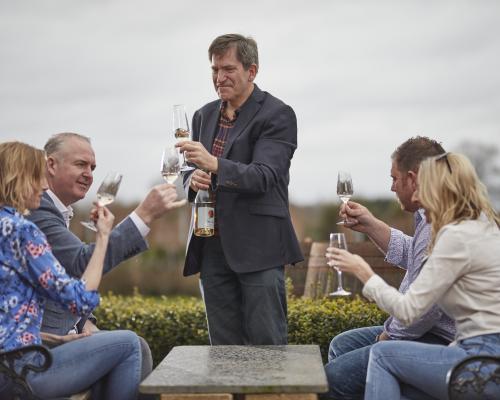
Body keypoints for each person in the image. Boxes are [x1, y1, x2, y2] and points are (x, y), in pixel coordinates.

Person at [328, 152, 500, 399]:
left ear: (441, 190)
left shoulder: (455, 236)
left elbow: (410, 311)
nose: (417, 198)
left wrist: (362, 271)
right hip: (480, 355)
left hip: (478, 364)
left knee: (382, 356)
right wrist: (372, 226)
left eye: (423, 189)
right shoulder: (481, 225)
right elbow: (424, 261)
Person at [27, 132, 186, 382]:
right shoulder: (36, 209)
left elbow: (60, 278)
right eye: (81, 164)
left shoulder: (57, 211)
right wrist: (143, 215)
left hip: (57, 338)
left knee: (138, 346)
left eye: (92, 167)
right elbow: (81, 263)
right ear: (51, 165)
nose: (89, 174)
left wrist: (84, 321)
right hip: (36, 354)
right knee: (130, 344)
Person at [176, 33, 303, 345]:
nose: (220, 78)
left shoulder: (277, 114)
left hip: (259, 250)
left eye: (228, 69)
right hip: (211, 248)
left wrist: (214, 165)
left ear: (252, 71)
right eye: (215, 70)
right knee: (223, 353)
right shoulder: (203, 115)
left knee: (267, 351)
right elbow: (187, 173)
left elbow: (265, 175)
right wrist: (191, 180)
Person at [0, 141, 142, 399]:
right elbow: (78, 298)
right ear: (17, 179)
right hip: (19, 373)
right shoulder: (22, 231)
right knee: (128, 343)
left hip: (9, 365)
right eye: (38, 176)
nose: (44, 185)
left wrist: (54, 339)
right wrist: (102, 238)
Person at [323, 137, 456, 399]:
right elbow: (413, 255)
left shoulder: (442, 223)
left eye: (394, 179)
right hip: (427, 330)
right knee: (342, 344)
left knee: (332, 379)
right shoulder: (427, 216)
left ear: (412, 178)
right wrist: (371, 224)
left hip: (441, 338)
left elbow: (423, 312)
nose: (391, 187)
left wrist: (389, 336)